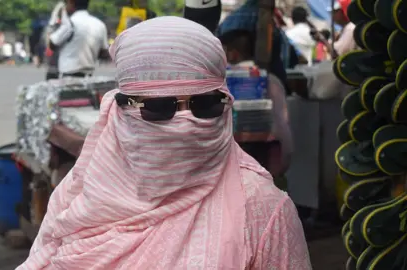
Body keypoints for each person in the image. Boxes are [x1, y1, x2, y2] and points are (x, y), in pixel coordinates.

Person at [16, 17, 310, 270]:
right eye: (159, 107)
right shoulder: (80, 196)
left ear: (225, 103)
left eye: (205, 104)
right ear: (120, 110)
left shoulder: (262, 210)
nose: (185, 123)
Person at [219, 29, 293, 179]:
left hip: (240, 166)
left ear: (232, 54)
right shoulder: (272, 80)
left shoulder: (225, 82)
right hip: (276, 161)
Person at [49, 0, 109, 78]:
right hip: (88, 78)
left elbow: (52, 44)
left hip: (67, 78)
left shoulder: (69, 23)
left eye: (66, 3)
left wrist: (53, 23)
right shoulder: (100, 25)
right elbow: (104, 53)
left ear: (71, 2)